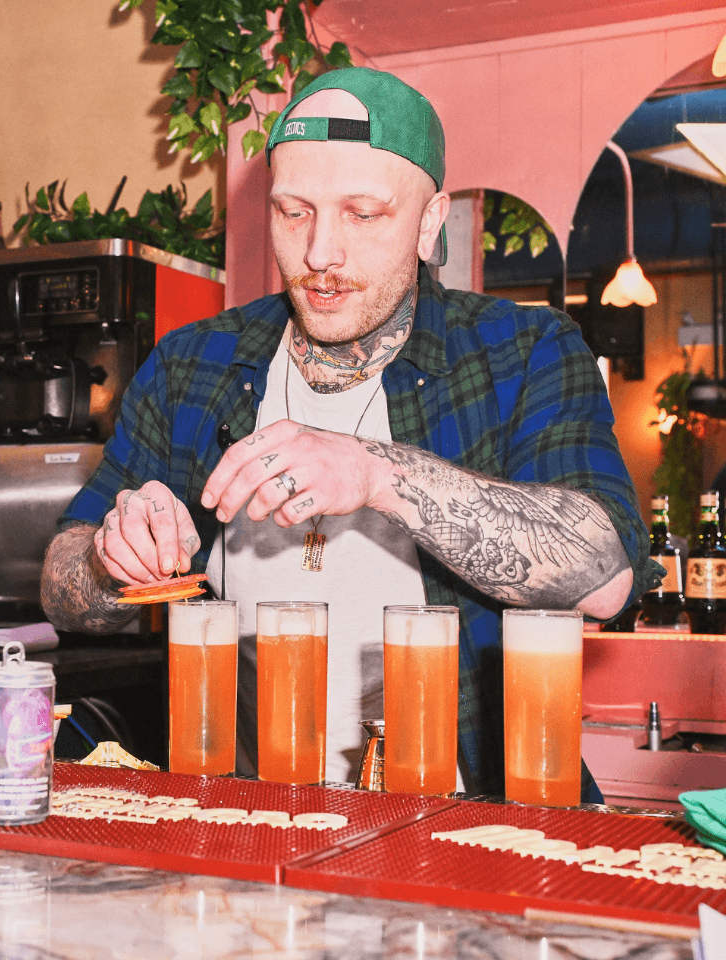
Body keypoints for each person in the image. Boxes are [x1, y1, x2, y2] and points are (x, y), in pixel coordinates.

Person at [41, 67, 660, 799]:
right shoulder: (193, 364)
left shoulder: (522, 350)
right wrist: (114, 559)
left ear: (431, 224)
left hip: (472, 821)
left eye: (363, 214)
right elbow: (62, 584)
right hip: (253, 820)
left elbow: (606, 576)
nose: (319, 253)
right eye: (292, 211)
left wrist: (375, 473)